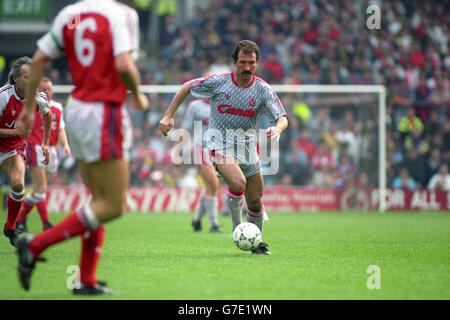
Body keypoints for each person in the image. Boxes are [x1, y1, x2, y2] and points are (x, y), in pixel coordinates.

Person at [16, 0, 148, 295]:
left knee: (97, 199)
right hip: (104, 112)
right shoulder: (121, 14)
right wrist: (138, 94)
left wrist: (28, 107)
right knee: (112, 205)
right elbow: (125, 66)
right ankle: (35, 245)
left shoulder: (68, 14)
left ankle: (85, 279)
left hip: (77, 109)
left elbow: (37, 60)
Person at [160, 40, 288, 255]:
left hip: (248, 147)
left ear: (257, 63)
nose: (247, 67)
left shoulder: (263, 89)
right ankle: (237, 229)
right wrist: (168, 115)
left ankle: (256, 243)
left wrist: (278, 128)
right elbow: (187, 86)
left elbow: (282, 117)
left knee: (255, 201)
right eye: (242, 62)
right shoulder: (219, 83)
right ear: (234, 63)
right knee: (238, 183)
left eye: (251, 63)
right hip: (219, 143)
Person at [0, 56, 51, 247]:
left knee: (19, 184)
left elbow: (48, 115)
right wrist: (14, 131)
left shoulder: (39, 97)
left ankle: (11, 227)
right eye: (28, 77)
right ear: (16, 79)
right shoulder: (3, 96)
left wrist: (45, 143)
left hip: (12, 149)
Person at [15, 77, 71, 234]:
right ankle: (46, 223)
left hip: (51, 150)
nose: (47, 91)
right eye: (44, 88)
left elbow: (60, 128)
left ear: (53, 90)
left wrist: (65, 145)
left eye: (49, 88)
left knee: (38, 190)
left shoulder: (58, 107)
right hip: (35, 147)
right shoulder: (33, 104)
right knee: (41, 188)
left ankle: (19, 220)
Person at [179, 97, 222, 233]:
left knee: (213, 188)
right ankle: (213, 224)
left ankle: (197, 220)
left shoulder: (223, 103)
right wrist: (179, 148)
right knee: (213, 185)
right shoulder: (195, 106)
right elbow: (185, 128)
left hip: (221, 149)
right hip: (201, 148)